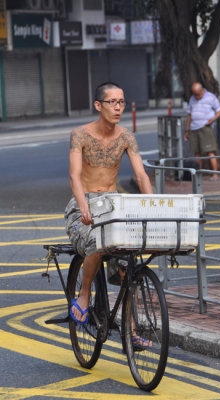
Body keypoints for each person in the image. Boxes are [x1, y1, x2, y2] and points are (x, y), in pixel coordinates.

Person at [64, 82, 153, 325]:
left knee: (129, 261)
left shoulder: (126, 136)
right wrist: (83, 206)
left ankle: (131, 330)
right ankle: (84, 295)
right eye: (112, 102)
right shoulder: (80, 135)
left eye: (121, 102)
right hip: (84, 204)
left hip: (113, 205)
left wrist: (154, 205)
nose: (118, 108)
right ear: (98, 105)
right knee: (97, 240)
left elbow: (141, 175)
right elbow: (74, 176)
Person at [183, 82, 220, 181]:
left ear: (202, 90)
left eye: (198, 94)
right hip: (194, 128)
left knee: (210, 151)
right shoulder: (192, 98)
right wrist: (187, 130)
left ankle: (215, 174)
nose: (196, 96)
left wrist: (213, 119)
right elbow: (189, 115)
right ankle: (198, 174)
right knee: (197, 153)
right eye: (195, 94)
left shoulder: (210, 97)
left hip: (205, 127)